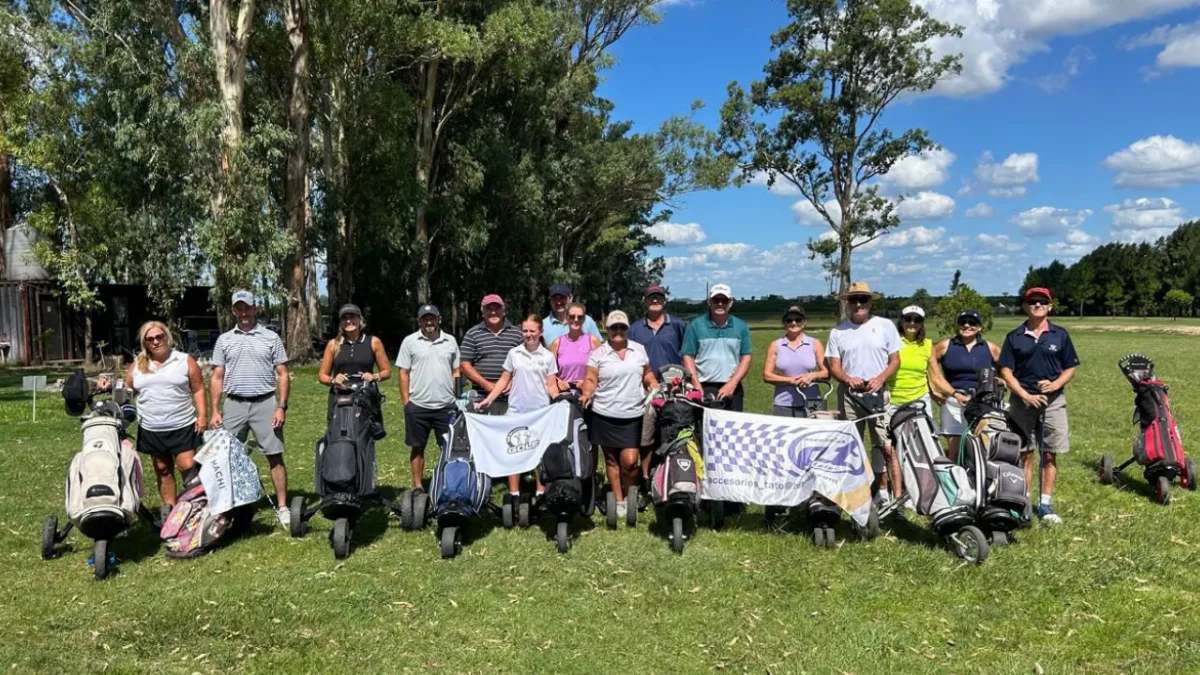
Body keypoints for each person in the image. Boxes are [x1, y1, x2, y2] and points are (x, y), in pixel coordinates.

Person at [209, 290, 292, 528]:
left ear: (256, 309)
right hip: (234, 403)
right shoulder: (224, 340)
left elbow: (283, 374)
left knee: (274, 455)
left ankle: (283, 507)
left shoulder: (270, 338)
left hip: (265, 403)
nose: (243, 312)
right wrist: (215, 410)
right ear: (234, 310)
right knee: (227, 458)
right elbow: (217, 376)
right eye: (239, 308)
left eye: (248, 308)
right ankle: (231, 506)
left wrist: (281, 407)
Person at [998, 287, 1080, 526]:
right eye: (1032, 301)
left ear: (1050, 306)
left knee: (1050, 453)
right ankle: (1023, 504)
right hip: (1022, 402)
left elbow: (1070, 368)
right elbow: (1005, 371)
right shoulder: (1014, 337)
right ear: (1025, 306)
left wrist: (1054, 385)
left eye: (1042, 301)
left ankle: (1045, 504)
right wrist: (1025, 395)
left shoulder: (1060, 335)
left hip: (1053, 402)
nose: (1037, 305)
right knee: (1024, 453)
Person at [826, 282, 902, 503]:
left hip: (878, 393)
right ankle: (854, 492)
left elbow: (895, 360)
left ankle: (887, 492)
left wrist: (881, 378)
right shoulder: (838, 332)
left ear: (870, 302)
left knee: (885, 445)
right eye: (853, 299)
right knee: (851, 446)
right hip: (850, 396)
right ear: (847, 303)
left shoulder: (885, 325)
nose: (858, 304)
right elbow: (834, 366)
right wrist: (848, 379)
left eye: (863, 299)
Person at [124, 321, 207, 518]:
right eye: (150, 339)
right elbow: (126, 392)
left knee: (187, 465)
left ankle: (194, 507)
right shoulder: (138, 365)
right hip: (151, 427)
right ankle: (170, 512)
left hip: (182, 424)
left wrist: (203, 416)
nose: (155, 341)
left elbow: (198, 389)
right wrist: (108, 386)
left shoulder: (184, 360)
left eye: (159, 337)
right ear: (145, 342)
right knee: (162, 469)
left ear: (167, 337)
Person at [580, 311, 658, 518]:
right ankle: (620, 499)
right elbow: (590, 379)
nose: (618, 331)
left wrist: (652, 383)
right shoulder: (598, 354)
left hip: (633, 413)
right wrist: (587, 393)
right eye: (614, 328)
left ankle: (630, 492)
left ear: (627, 329)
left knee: (631, 461)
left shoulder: (638, 349)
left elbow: (647, 372)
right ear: (607, 330)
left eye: (622, 327)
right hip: (604, 413)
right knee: (612, 460)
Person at [477, 314, 560, 500]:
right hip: (516, 411)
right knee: (514, 452)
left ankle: (541, 493)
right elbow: (504, 379)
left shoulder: (548, 357)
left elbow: (551, 385)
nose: (528, 334)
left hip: (541, 413)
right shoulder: (514, 353)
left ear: (540, 332)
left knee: (540, 454)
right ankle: (513, 494)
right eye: (525, 331)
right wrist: (489, 400)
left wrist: (559, 398)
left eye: (532, 331)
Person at [396, 304, 460, 493]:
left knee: (450, 449)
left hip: (446, 405)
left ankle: (448, 483)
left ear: (439, 319)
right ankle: (417, 486)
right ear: (419, 321)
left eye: (432, 318)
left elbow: (456, 371)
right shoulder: (410, 342)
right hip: (418, 405)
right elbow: (403, 373)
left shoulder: (450, 341)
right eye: (425, 319)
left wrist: (457, 398)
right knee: (417, 448)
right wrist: (406, 402)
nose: (429, 322)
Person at [628, 284, 689, 477]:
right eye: (651, 297)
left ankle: (671, 473)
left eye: (658, 297)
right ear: (645, 301)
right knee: (647, 435)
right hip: (646, 388)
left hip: (674, 387)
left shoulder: (678, 325)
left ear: (664, 300)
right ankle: (646, 477)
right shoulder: (636, 328)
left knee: (673, 430)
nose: (655, 300)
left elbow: (687, 355)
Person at [928, 309, 1001, 459]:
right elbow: (926, 366)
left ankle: (979, 480)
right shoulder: (945, 345)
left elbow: (1006, 370)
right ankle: (956, 480)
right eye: (963, 322)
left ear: (979, 327)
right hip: (953, 400)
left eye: (972, 323)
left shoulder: (990, 347)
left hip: (982, 401)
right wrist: (932, 390)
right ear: (957, 325)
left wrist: (999, 381)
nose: (967, 326)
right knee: (954, 449)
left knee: (983, 447)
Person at [317, 303, 391, 430]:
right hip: (340, 397)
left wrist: (374, 376)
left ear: (359, 319)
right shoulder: (333, 344)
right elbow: (322, 375)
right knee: (339, 436)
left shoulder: (373, 342)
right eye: (345, 318)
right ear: (341, 322)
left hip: (365, 395)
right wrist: (333, 380)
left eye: (352, 317)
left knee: (365, 435)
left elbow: (387, 371)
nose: (349, 321)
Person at [680, 283, 753, 411]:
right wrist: (696, 384)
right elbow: (688, 356)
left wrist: (732, 383)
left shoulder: (741, 326)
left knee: (731, 429)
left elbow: (746, 357)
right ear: (709, 302)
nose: (720, 304)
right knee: (703, 429)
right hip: (703, 386)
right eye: (716, 300)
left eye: (724, 300)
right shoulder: (695, 325)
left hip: (732, 387)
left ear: (730, 302)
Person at [460, 294, 524, 415]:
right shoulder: (472, 334)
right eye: (489, 308)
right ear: (482, 312)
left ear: (503, 310)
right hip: (481, 397)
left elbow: (526, 362)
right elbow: (464, 365)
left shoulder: (517, 334)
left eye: (497, 308)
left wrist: (512, 382)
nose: (493, 312)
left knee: (511, 433)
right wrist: (487, 385)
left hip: (512, 399)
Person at [763, 305, 828, 417]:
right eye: (789, 320)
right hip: (784, 403)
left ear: (804, 322)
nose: (793, 323)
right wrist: (791, 381)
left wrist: (811, 376)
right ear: (784, 323)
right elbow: (767, 376)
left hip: (813, 402)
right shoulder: (775, 345)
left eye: (798, 320)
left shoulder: (815, 343)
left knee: (813, 434)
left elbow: (826, 373)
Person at [888, 305, 934, 414]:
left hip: (920, 399)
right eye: (908, 319)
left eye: (917, 320)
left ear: (921, 323)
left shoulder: (927, 345)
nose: (912, 323)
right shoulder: (890, 342)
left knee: (925, 431)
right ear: (902, 321)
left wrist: (953, 394)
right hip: (894, 401)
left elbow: (936, 376)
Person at [548, 302, 601, 393]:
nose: (576, 320)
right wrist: (558, 382)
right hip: (564, 395)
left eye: (580, 317)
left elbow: (602, 371)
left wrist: (588, 382)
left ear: (584, 319)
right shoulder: (557, 343)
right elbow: (549, 372)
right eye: (572, 317)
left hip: (587, 395)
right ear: (566, 318)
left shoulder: (593, 341)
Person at [543, 283, 601, 347]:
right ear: (549, 300)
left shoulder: (587, 321)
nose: (558, 302)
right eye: (555, 298)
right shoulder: (543, 325)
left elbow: (599, 348)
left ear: (570, 298)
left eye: (562, 298)